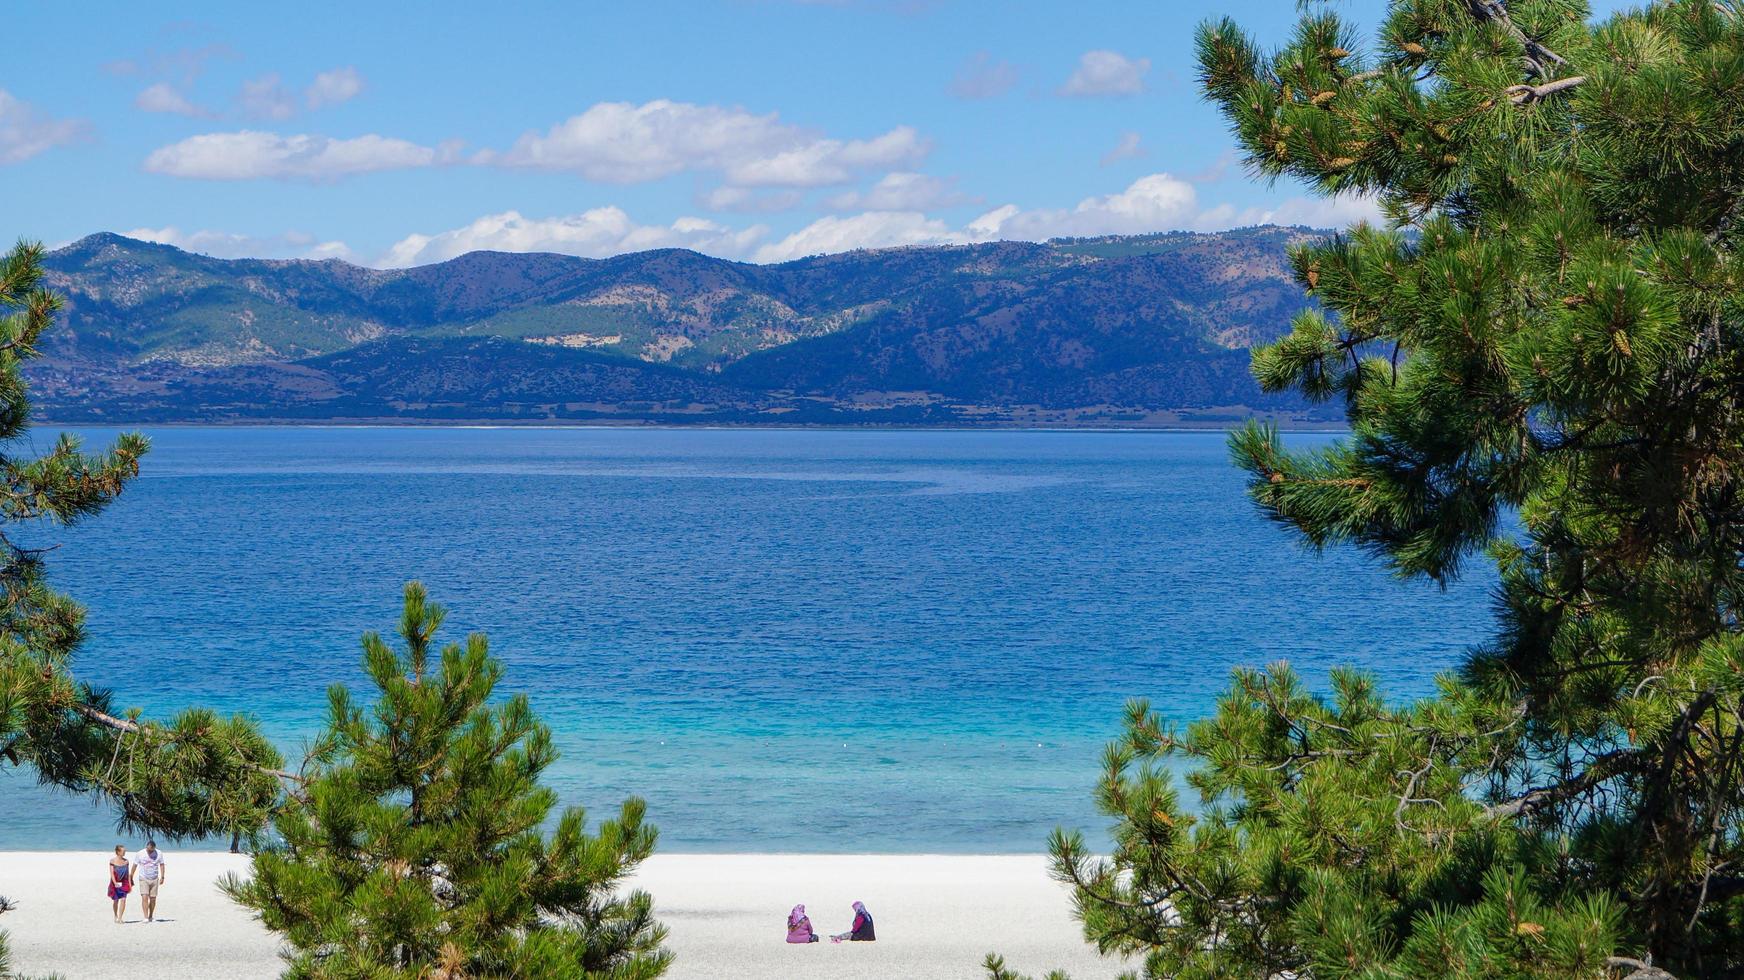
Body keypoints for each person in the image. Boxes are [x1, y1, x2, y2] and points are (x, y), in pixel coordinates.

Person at [132, 840, 166, 923]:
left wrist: (162, 877)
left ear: (154, 848)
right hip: (143, 878)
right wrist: (131, 876)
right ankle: (146, 917)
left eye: (152, 850)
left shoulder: (159, 853)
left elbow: (162, 865)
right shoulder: (140, 853)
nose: (150, 852)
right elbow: (135, 865)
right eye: (149, 850)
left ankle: (151, 916)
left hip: (154, 878)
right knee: (144, 897)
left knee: (153, 898)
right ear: (146, 847)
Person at [106, 845, 132, 924]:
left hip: (124, 883)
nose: (124, 852)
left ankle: (120, 918)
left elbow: (127, 874)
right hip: (115, 883)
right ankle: (115, 915)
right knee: (116, 901)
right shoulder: (112, 861)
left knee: (123, 900)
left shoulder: (126, 861)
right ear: (118, 852)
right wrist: (115, 883)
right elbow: (112, 874)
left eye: (125, 851)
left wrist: (130, 885)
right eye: (123, 851)